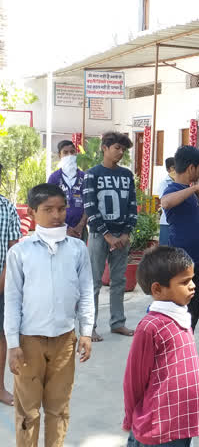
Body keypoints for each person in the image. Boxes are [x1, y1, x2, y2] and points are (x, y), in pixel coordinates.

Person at [5, 184, 94, 447]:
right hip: (29, 341)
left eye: (61, 209)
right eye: (48, 210)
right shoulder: (20, 252)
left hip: (64, 341)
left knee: (58, 409)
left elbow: (86, 292)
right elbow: (12, 299)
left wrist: (86, 331)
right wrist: (13, 344)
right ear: (32, 213)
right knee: (28, 411)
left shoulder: (77, 249)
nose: (57, 215)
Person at [123, 246, 199, 447]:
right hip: (158, 426)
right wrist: (130, 418)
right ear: (157, 289)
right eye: (184, 282)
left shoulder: (182, 317)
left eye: (192, 279)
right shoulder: (150, 327)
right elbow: (134, 380)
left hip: (183, 420)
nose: (193, 286)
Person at [84, 131, 137, 342]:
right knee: (94, 282)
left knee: (119, 281)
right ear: (104, 148)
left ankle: (118, 323)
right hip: (98, 235)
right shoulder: (92, 174)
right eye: (117, 148)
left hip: (121, 235)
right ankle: (90, 327)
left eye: (123, 149)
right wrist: (107, 235)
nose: (120, 152)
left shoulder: (126, 175)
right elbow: (90, 206)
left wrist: (125, 233)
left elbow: (132, 206)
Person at [160, 146, 199, 332]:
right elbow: (165, 202)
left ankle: (187, 348)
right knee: (179, 309)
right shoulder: (172, 188)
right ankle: (176, 350)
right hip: (180, 262)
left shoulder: (189, 191)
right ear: (191, 168)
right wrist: (196, 187)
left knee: (193, 309)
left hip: (197, 260)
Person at [0, 167, 22, 407]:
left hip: (1, 281)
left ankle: (0, 388)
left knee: (1, 336)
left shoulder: (7, 208)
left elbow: (13, 249)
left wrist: (4, 279)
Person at [48, 140, 88, 240]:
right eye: (65, 153)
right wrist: (65, 228)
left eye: (72, 152)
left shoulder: (84, 177)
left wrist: (80, 225)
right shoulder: (54, 178)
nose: (69, 155)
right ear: (59, 155)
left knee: (80, 254)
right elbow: (49, 205)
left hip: (80, 229)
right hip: (59, 228)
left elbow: (89, 203)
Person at [155, 157, 176, 245]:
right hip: (167, 223)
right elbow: (165, 202)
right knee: (165, 251)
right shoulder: (164, 183)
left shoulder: (181, 182)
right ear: (170, 169)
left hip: (178, 223)